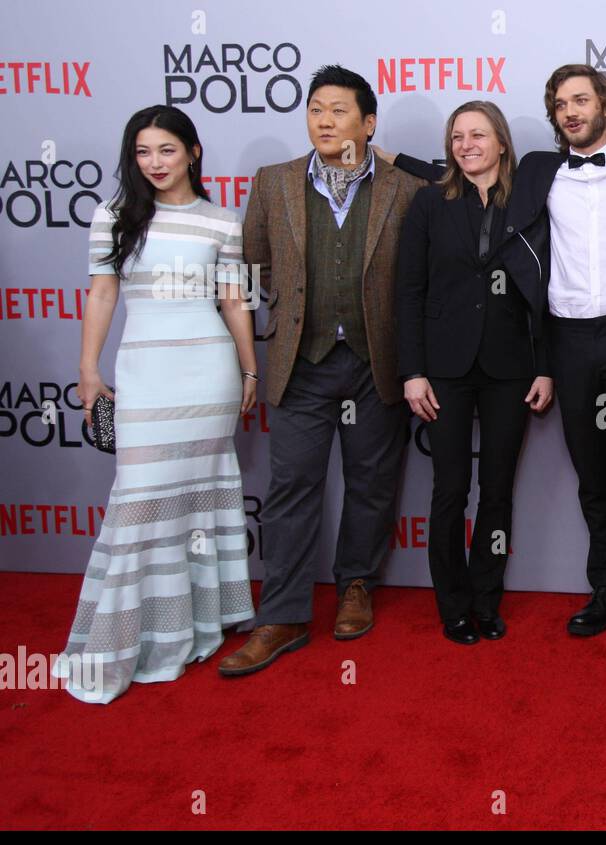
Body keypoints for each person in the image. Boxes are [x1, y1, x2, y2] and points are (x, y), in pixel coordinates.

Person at [395, 65, 606, 655]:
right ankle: (602, 590)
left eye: (581, 100)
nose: (571, 111)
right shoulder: (538, 171)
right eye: (560, 104)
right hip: (567, 340)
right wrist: (383, 156)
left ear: (605, 105)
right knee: (591, 474)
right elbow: (462, 177)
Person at [218, 65, 425, 676]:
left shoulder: (404, 188)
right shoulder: (274, 183)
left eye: (339, 110)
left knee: (371, 482)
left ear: (368, 122)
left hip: (375, 362)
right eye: (316, 109)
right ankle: (281, 615)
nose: (325, 120)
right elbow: (252, 269)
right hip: (299, 364)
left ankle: (356, 584)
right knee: (290, 490)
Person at [58, 104, 256, 703]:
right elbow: (101, 294)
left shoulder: (223, 221)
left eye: (166, 150)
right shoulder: (113, 218)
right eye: (143, 152)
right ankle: (136, 640)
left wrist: (249, 369)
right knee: (141, 503)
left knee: (200, 502)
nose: (155, 163)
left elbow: (235, 301)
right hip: (145, 374)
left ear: (193, 152)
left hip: (209, 376)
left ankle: (196, 625)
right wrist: (88, 368)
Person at [394, 101, 553, 645]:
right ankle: (453, 605)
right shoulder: (428, 205)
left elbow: (546, 293)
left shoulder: (529, 203)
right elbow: (408, 291)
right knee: (449, 490)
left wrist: (545, 368)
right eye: (457, 136)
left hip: (511, 368)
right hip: (445, 369)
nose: (466, 145)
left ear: (502, 143)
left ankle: (487, 599)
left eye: (478, 135)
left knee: (499, 490)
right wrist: (412, 372)